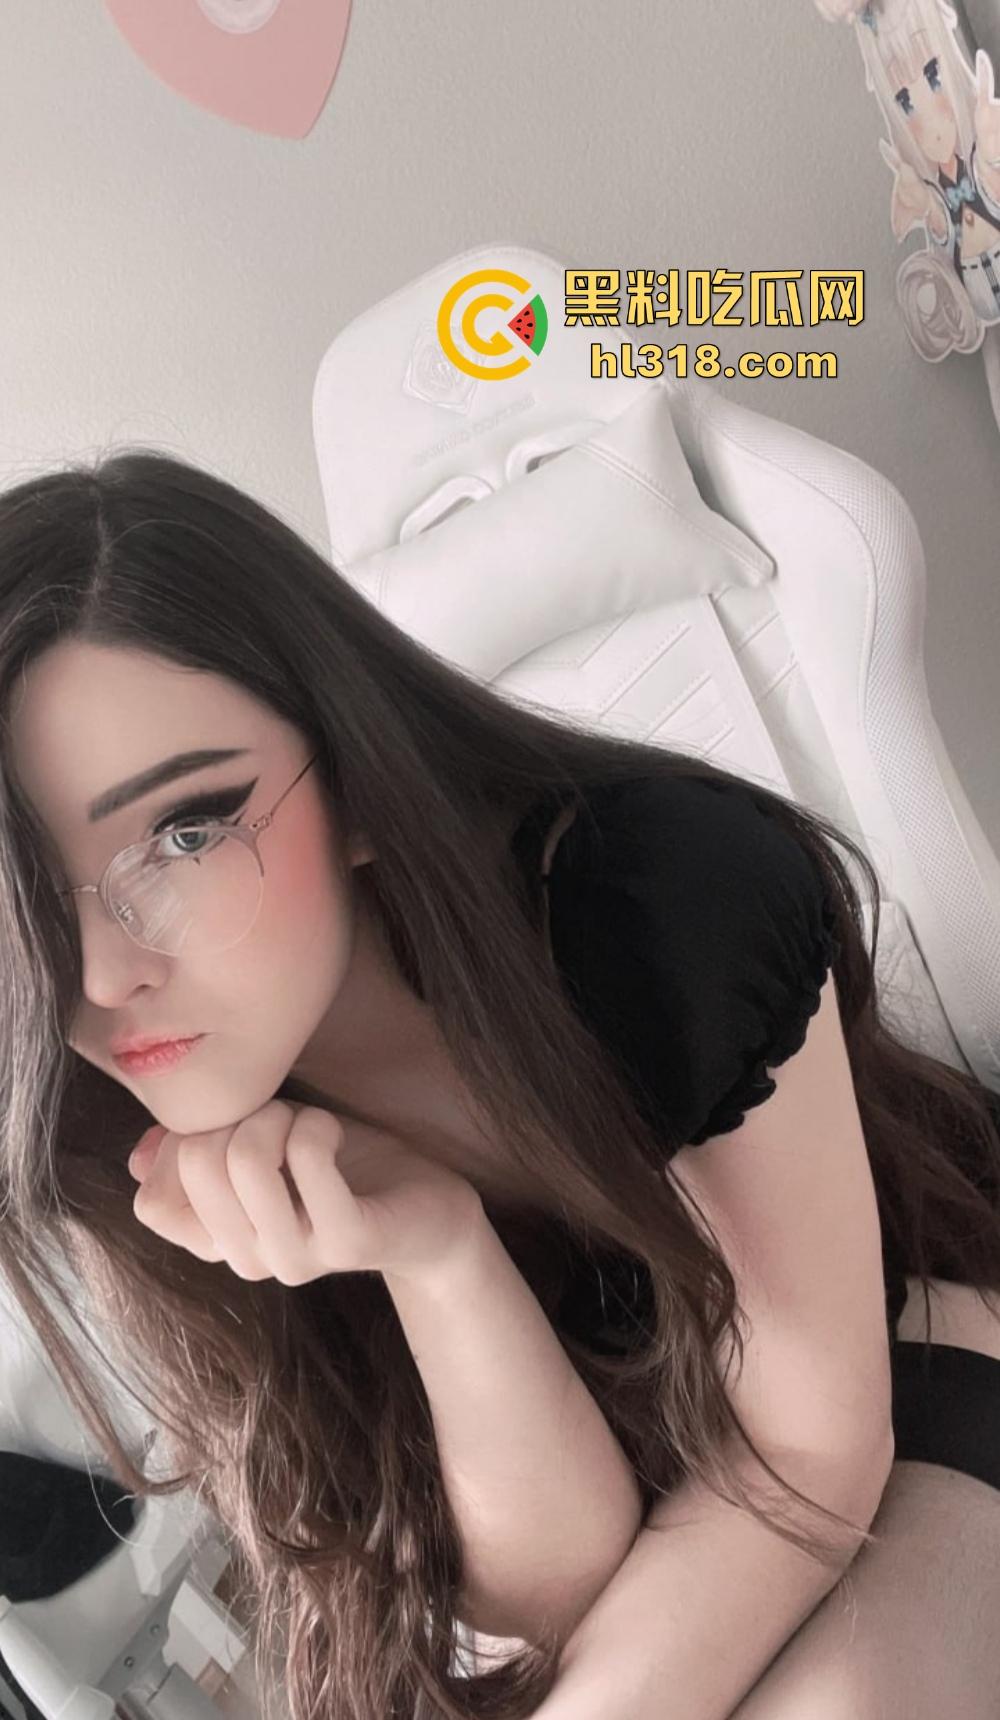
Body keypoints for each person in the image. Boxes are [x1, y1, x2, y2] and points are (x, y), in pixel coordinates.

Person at [1, 450, 999, 1720]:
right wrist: (438, 1256)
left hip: (912, 1318)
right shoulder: (115, 1141)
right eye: (24, 892)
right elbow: (554, 1586)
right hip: (672, 1485)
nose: (100, 972)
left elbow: (812, 1442)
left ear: (354, 778)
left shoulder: (652, 899)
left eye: (184, 833)